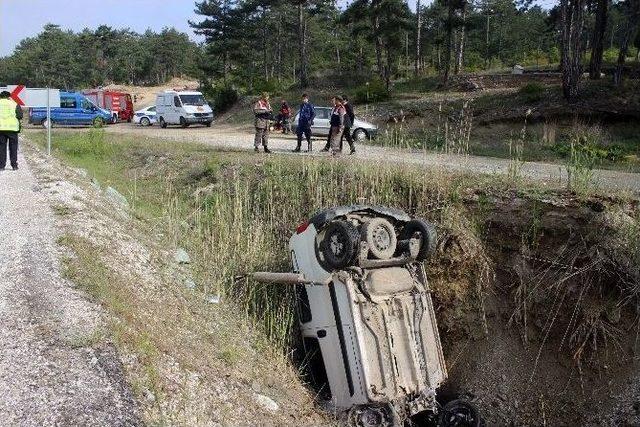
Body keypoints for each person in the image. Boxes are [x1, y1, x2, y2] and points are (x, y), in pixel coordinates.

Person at [0, 91, 22, 171]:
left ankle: (1, 166)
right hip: (12, 129)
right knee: (13, 147)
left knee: (1, 147)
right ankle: (14, 165)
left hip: (1, 129)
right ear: (9, 97)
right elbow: (20, 116)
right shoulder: (14, 104)